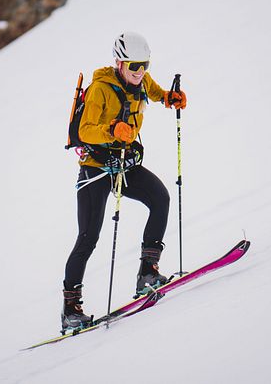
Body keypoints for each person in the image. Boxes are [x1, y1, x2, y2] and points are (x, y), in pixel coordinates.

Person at [62, 32, 187, 330]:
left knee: (160, 198)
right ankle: (70, 309)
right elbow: (85, 130)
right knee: (88, 238)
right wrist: (112, 131)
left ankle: (148, 272)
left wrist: (170, 99)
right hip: (95, 170)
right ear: (119, 63)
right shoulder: (100, 89)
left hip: (124, 164)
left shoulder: (142, 82)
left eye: (144, 64)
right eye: (134, 65)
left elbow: (156, 93)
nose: (140, 71)